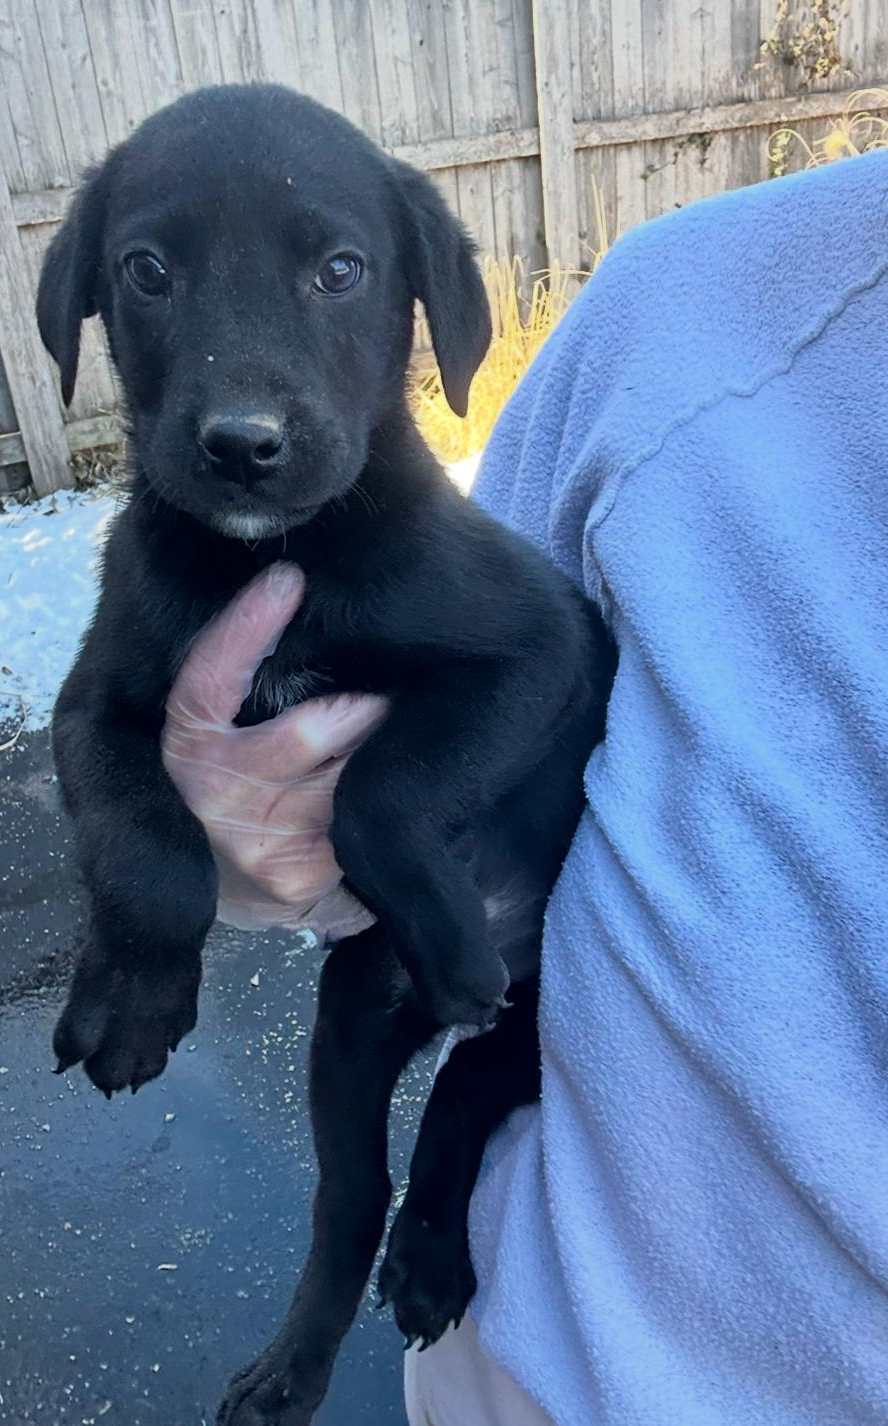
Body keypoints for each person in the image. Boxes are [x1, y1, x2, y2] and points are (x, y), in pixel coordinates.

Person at [161, 150, 888, 1425]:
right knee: (400, 1089)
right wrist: (266, 845)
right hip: (535, 1351)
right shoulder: (679, 313)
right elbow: (446, 687)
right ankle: (332, 1307)